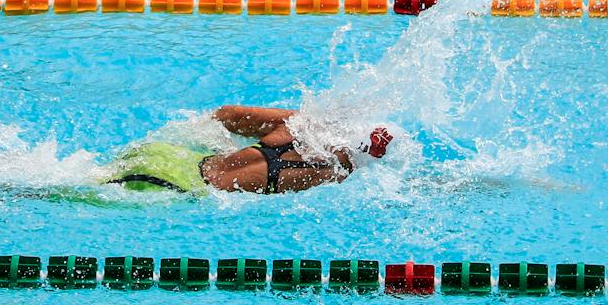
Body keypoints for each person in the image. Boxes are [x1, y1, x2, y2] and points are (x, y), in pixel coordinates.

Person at [102, 105, 392, 196]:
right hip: (172, 189)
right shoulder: (336, 175)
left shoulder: (301, 126)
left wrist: (220, 146)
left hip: (167, 155)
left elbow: (229, 115)